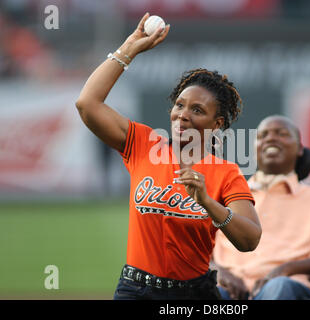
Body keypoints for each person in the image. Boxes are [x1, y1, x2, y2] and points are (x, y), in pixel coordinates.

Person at [75, 13, 262, 300]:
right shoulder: (144, 144)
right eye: (179, 105)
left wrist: (208, 203)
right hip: (134, 289)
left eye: (197, 110)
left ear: (217, 124)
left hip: (193, 294)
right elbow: (87, 104)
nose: (183, 115)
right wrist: (130, 48)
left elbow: (250, 239)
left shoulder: (226, 173)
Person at [212, 115, 310, 300]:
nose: (271, 138)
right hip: (230, 290)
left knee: (279, 288)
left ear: (299, 149)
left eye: (282, 134)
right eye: (262, 135)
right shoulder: (228, 197)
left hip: (289, 290)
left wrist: (286, 269)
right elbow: (199, 252)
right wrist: (218, 272)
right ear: (254, 149)